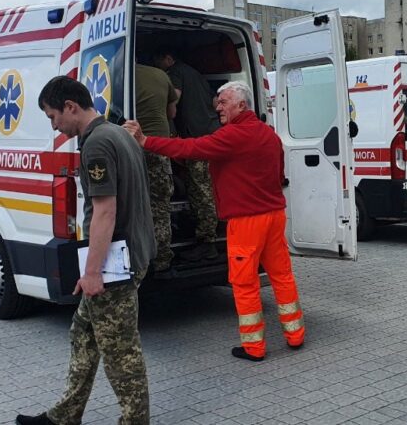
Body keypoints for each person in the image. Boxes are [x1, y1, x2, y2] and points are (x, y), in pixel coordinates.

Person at [125, 81, 304, 362]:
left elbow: (192, 148)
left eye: (223, 102)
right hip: (274, 215)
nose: (217, 106)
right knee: (282, 275)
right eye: (217, 101)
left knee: (244, 283)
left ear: (241, 105)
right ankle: (295, 335)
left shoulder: (233, 135)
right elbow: (279, 174)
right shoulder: (268, 134)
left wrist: (146, 142)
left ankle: (254, 347)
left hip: (247, 221)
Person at [18, 76, 155, 425]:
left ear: (70, 107)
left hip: (115, 264)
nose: (54, 125)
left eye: (53, 117)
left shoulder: (96, 144)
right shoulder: (118, 134)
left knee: (121, 352)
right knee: (83, 334)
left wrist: (92, 272)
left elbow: (105, 210)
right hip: (128, 254)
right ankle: (65, 415)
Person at [153, 49, 220, 261]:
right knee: (207, 187)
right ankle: (208, 234)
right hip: (210, 131)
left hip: (198, 139)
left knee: (201, 191)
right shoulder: (195, 73)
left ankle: (207, 241)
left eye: (159, 62)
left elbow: (173, 100)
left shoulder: (175, 72)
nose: (159, 68)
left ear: (168, 58)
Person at [135, 63, 178, 272]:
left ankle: (139, 260)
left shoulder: (119, 74)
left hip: (133, 148)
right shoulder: (161, 75)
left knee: (133, 205)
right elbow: (172, 112)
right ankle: (161, 259)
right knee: (160, 206)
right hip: (160, 147)